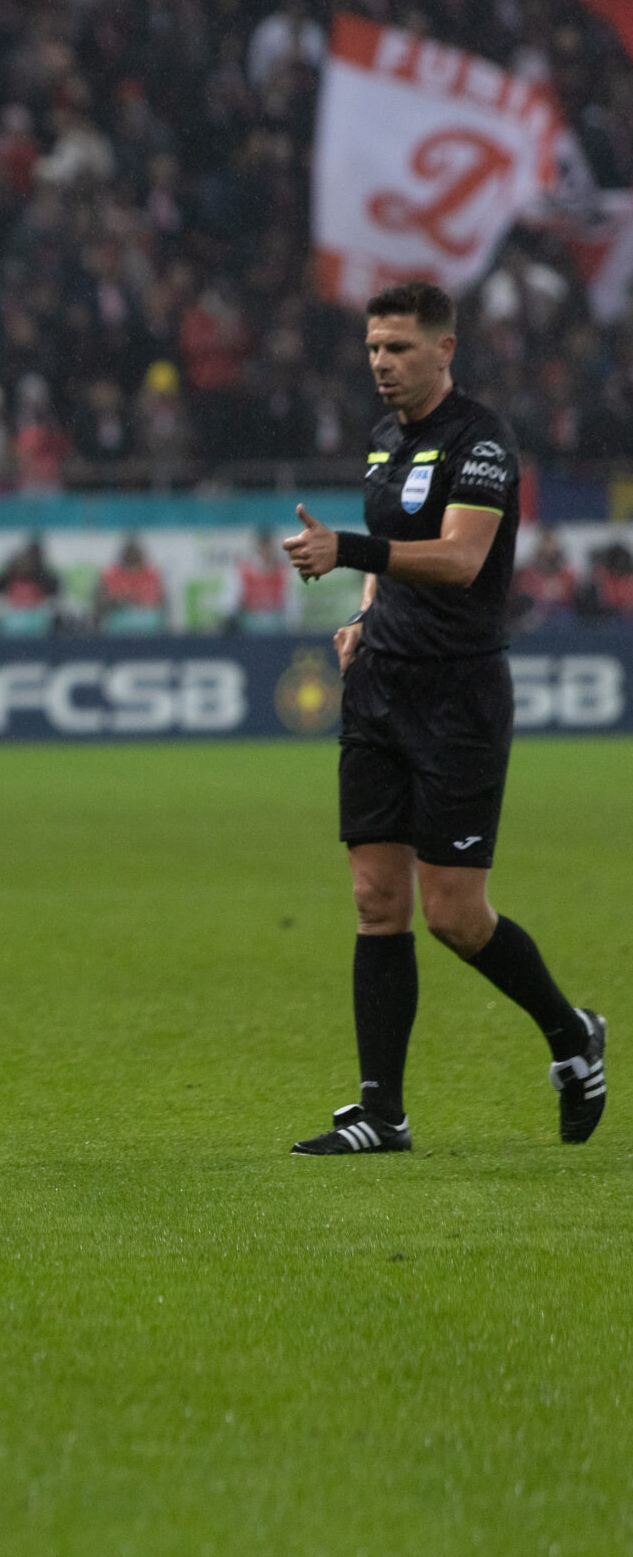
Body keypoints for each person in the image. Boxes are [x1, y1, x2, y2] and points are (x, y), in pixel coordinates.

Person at [280, 281, 604, 1155]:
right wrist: (363, 613)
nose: (381, 363)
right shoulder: (385, 440)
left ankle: (572, 1034)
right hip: (379, 685)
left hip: (457, 697)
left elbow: (461, 559)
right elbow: (393, 560)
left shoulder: (482, 442)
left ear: (444, 349)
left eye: (399, 348)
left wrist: (348, 550)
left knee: (455, 915)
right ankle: (381, 1113)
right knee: (374, 898)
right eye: (373, 348)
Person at [0, 535, 61, 637]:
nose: (24, 565)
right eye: (21, 562)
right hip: (11, 617)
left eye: (27, 561)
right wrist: (8, 570)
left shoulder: (41, 577)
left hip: (36, 618)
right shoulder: (9, 577)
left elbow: (54, 592)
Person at [95, 535, 168, 634]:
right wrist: (119, 601)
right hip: (117, 625)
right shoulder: (110, 575)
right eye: (129, 558)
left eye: (135, 557)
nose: (132, 560)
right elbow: (100, 604)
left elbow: (162, 603)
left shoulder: (152, 575)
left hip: (148, 625)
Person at [508, 528, 576, 631]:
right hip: (535, 616)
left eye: (552, 543)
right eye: (545, 543)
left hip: (560, 617)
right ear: (539, 547)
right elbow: (523, 596)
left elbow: (570, 596)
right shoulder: (528, 573)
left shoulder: (566, 573)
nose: (548, 549)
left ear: (558, 548)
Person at [229, 529, 293, 634]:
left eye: (269, 546)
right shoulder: (243, 571)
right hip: (247, 626)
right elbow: (232, 602)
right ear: (256, 547)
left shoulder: (283, 572)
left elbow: (290, 604)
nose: (266, 550)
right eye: (263, 546)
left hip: (276, 627)